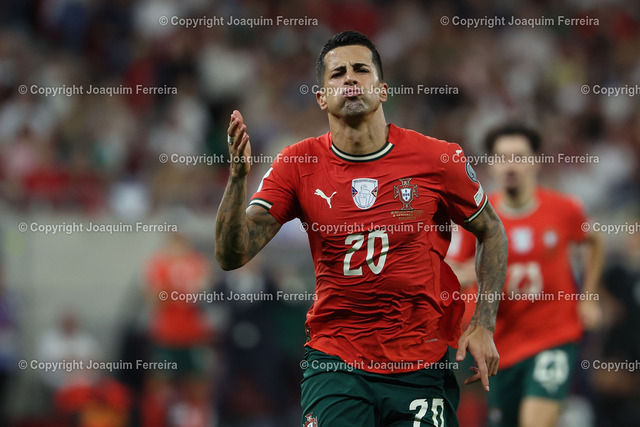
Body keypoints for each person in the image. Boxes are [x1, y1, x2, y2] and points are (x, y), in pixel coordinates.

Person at [215, 31, 508, 427]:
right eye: (337, 73)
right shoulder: (297, 164)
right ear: (322, 97)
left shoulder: (437, 158)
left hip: (420, 359)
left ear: (382, 90)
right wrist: (237, 180)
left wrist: (484, 323)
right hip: (336, 361)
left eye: (361, 69)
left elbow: (492, 231)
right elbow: (231, 255)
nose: (350, 78)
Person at [448, 123, 604, 427]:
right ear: (491, 164)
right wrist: (469, 274)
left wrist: (589, 298)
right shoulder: (476, 218)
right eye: (502, 157)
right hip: (499, 346)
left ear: (535, 162)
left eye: (519, 157)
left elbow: (594, 241)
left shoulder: (564, 209)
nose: (510, 165)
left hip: (553, 337)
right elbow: (451, 269)